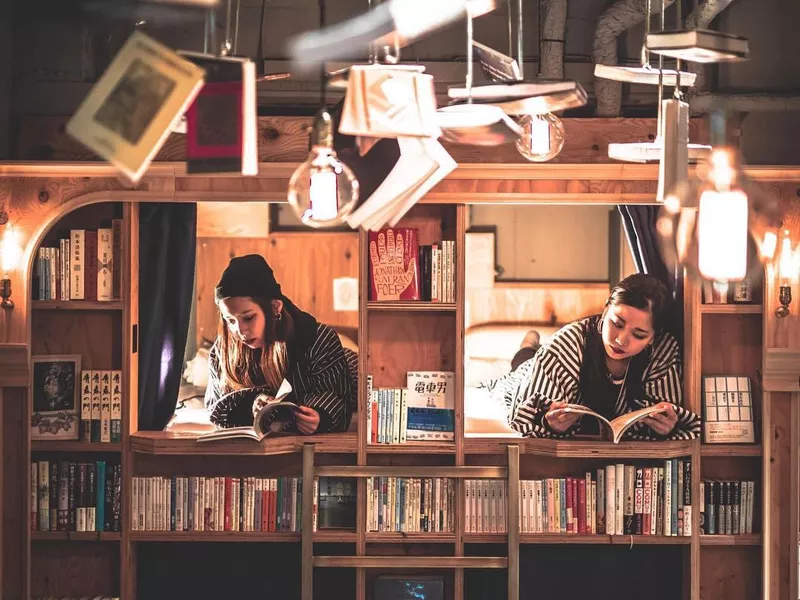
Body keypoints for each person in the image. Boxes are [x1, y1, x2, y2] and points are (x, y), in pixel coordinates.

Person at [479, 273, 700, 440]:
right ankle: (530, 341)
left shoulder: (664, 350)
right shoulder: (567, 342)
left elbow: (672, 412)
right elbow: (524, 416)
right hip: (526, 372)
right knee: (523, 362)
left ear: (653, 337)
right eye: (617, 324)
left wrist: (667, 426)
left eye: (639, 334)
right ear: (605, 311)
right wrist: (549, 422)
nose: (622, 340)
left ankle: (531, 343)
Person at [204, 254, 357, 433]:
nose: (240, 331)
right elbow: (214, 409)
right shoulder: (221, 351)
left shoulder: (318, 339)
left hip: (350, 367)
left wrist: (320, 417)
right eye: (230, 320)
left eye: (248, 318)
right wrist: (250, 406)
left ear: (275, 307)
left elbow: (336, 398)